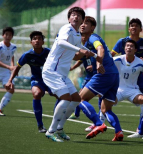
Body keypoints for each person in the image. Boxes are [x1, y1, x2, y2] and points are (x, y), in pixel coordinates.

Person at [42, 7, 95, 142]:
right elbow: (61, 42)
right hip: (52, 71)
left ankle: (59, 129)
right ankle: (51, 131)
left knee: (76, 99)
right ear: (69, 18)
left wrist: (94, 54)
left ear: (83, 20)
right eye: (72, 15)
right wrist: (80, 50)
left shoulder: (77, 34)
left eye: (78, 15)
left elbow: (81, 47)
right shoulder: (67, 28)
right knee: (65, 99)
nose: (75, 17)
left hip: (62, 74)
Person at [78, 16, 123, 141]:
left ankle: (98, 124)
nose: (83, 25)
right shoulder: (85, 43)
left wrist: (99, 63)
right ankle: (118, 131)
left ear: (92, 28)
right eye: (82, 23)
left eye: (86, 23)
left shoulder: (93, 37)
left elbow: (100, 48)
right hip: (114, 75)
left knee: (80, 99)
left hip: (104, 73)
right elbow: (77, 56)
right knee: (106, 109)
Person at [5, 31, 57, 133]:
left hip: (51, 79)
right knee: (37, 94)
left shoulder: (50, 52)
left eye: (39, 38)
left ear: (43, 41)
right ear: (31, 42)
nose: (37, 40)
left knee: (61, 96)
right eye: (34, 39)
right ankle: (40, 126)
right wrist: (10, 80)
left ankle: (56, 124)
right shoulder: (27, 55)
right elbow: (17, 68)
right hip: (37, 80)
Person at [111, 18, 143, 132]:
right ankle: (99, 122)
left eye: (136, 26)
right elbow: (110, 56)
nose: (134, 27)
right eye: (131, 25)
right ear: (128, 28)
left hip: (138, 76)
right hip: (121, 77)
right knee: (107, 96)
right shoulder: (122, 41)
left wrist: (139, 62)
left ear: (141, 29)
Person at [114, 39, 143, 132]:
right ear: (124, 48)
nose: (129, 48)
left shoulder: (140, 62)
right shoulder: (117, 59)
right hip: (119, 89)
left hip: (133, 90)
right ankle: (99, 123)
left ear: (135, 50)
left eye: (131, 46)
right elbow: (106, 63)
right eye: (127, 46)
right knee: (107, 101)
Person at [68, 34, 98, 120]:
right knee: (80, 96)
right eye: (82, 36)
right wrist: (72, 68)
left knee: (99, 96)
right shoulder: (82, 49)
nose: (83, 38)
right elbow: (80, 60)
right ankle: (76, 114)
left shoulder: (94, 48)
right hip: (89, 76)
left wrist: (94, 66)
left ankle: (100, 116)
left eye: (85, 36)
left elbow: (102, 59)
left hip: (97, 76)